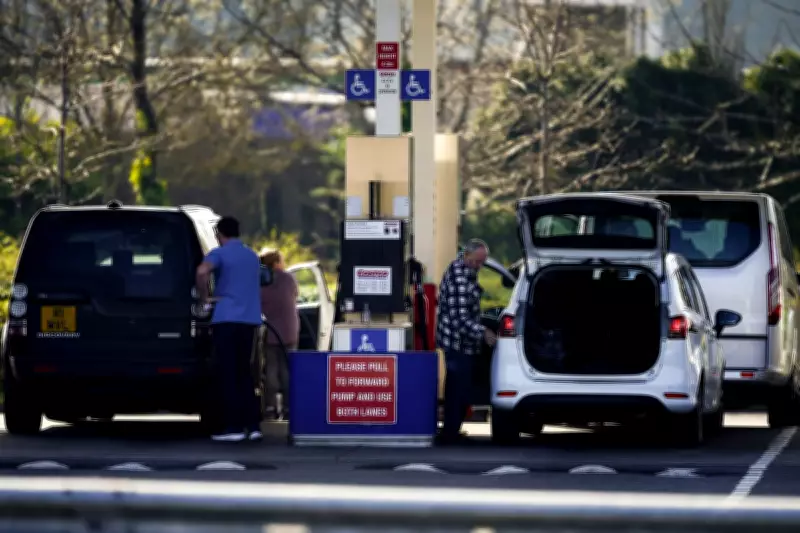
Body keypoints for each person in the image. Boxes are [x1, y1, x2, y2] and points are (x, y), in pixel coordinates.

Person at [196, 216, 263, 442]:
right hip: (249, 321)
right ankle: (253, 426)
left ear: (219, 234)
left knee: (228, 372)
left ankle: (232, 427)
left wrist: (206, 298)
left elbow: (202, 272)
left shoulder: (219, 254)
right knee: (245, 373)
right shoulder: (252, 256)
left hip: (226, 319)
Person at [436, 239, 495, 444]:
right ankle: (450, 435)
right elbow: (460, 319)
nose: (479, 266)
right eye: (477, 261)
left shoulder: (466, 271)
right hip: (456, 341)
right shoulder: (460, 278)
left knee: (459, 386)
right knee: (457, 388)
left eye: (482, 262)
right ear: (467, 255)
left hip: (461, 341)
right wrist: (484, 332)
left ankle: (452, 431)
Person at [258, 248, 300, 421]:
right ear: (276, 263)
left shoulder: (261, 282)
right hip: (289, 329)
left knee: (271, 370)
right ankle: (289, 408)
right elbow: (295, 295)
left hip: (270, 330)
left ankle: (270, 407)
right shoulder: (288, 278)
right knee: (288, 370)